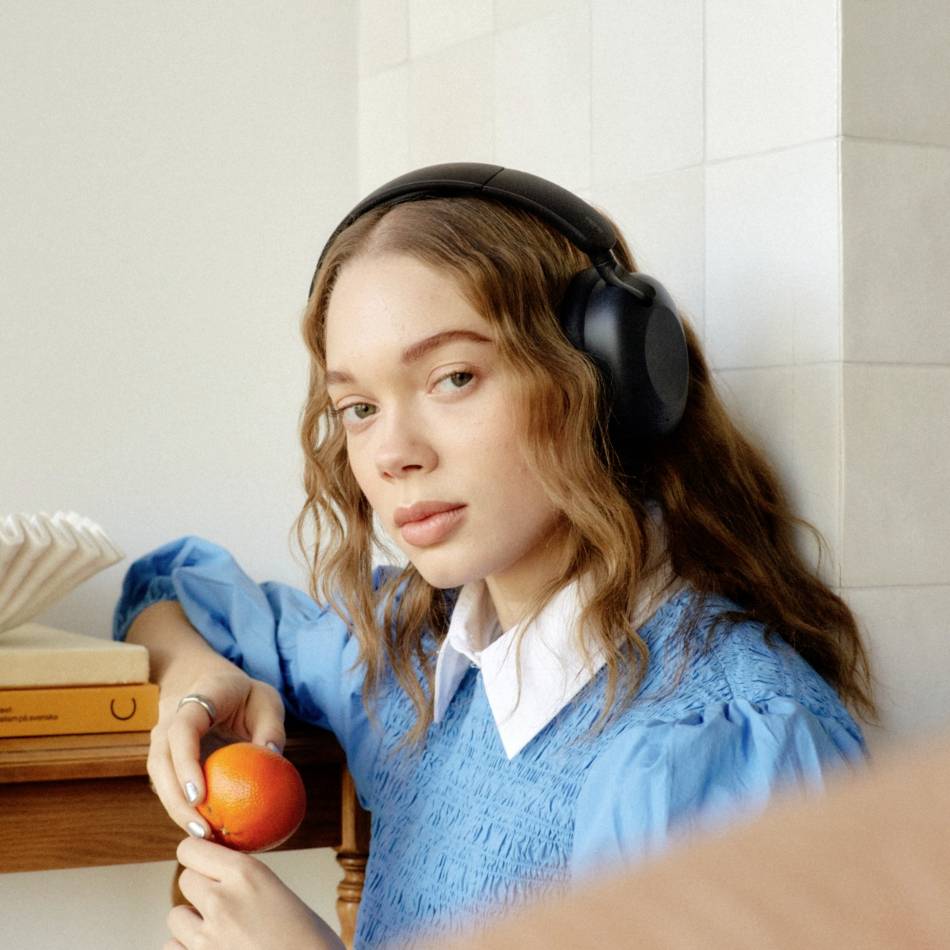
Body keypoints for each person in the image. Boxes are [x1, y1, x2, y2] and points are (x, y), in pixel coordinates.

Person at [114, 163, 877, 950]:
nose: (393, 454)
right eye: (360, 408)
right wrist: (192, 683)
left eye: (453, 378)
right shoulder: (410, 658)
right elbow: (167, 592)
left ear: (603, 380)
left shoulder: (715, 748)